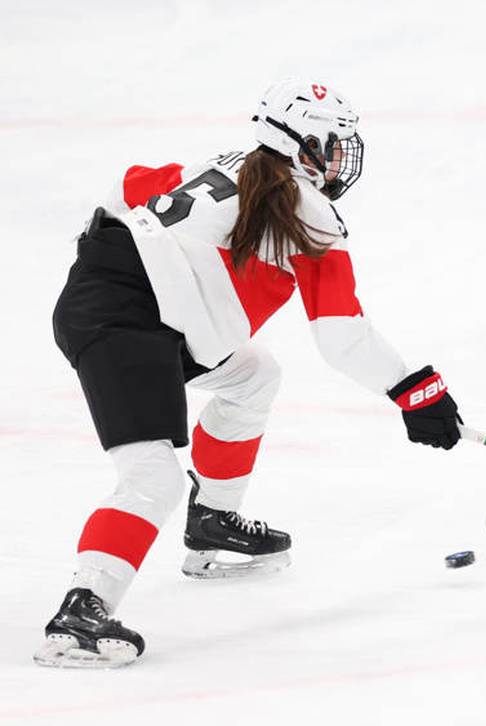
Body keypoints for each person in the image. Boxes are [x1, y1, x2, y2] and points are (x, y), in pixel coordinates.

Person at [36, 79, 462, 668]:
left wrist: (174, 276)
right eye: (334, 144)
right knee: (151, 476)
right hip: (127, 324)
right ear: (304, 144)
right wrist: (416, 393)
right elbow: (342, 334)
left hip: (127, 308)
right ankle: (82, 610)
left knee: (253, 374)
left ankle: (212, 519)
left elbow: (131, 183)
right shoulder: (306, 211)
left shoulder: (220, 163)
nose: (341, 158)